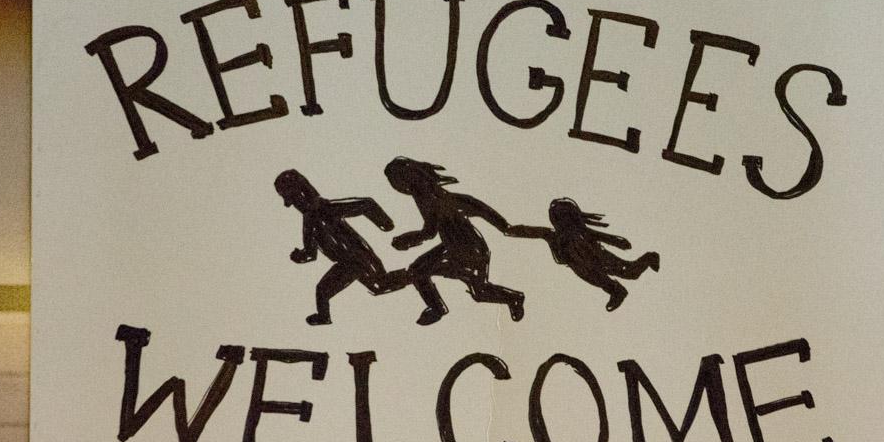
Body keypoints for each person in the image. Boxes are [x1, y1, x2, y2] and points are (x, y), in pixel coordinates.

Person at [383, 156, 524, 325]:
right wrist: (409, 239)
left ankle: (514, 298)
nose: (402, 188)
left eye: (400, 181)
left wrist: (408, 239)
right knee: (418, 270)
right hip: (450, 247)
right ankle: (437, 308)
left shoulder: (433, 198)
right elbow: (432, 228)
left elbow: (429, 231)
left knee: (479, 291)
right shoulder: (425, 196)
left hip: (470, 250)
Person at [274, 169, 406, 325]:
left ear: (306, 190)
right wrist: (300, 255)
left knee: (380, 285)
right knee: (323, 291)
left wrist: (385, 223)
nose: (293, 203)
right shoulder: (309, 220)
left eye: (293, 197)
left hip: (360, 258)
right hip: (346, 263)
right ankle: (324, 317)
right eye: (290, 199)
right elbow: (311, 254)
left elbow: (367, 204)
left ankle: (416, 273)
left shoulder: (326, 208)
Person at [507, 198, 659, 311]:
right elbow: (529, 231)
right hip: (582, 268)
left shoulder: (580, 233)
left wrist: (617, 241)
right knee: (601, 281)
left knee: (629, 272)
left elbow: (598, 235)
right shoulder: (552, 236)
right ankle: (617, 292)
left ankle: (649, 257)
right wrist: (509, 230)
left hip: (599, 257)